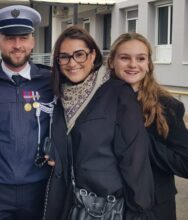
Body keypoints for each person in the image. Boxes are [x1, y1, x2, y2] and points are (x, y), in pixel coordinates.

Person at [43, 26, 155, 220]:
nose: (72, 63)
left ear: (93, 55)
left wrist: (140, 211)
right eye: (64, 57)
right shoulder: (61, 96)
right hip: (72, 204)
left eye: (80, 54)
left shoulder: (117, 93)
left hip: (106, 208)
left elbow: (134, 160)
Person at [0, 5, 54, 220]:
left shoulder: (50, 81)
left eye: (24, 37)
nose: (17, 45)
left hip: (40, 186)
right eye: (9, 38)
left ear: (32, 41)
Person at [107, 32, 188, 220]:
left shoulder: (168, 106)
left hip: (156, 206)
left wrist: (140, 141)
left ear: (149, 64)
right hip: (109, 203)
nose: (133, 65)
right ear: (112, 62)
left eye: (140, 58)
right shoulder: (99, 101)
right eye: (125, 58)